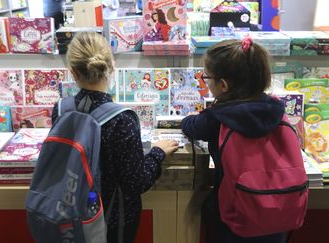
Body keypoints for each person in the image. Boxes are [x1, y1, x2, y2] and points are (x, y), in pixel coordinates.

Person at [51, 32, 179, 243]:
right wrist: (157, 153)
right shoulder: (123, 119)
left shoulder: (60, 109)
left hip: (69, 211)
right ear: (111, 67)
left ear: (72, 72)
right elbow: (136, 182)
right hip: (112, 220)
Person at [181, 38, 287, 243]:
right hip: (276, 212)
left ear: (223, 85)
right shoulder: (275, 109)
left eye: (207, 77)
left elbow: (191, 126)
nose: (205, 80)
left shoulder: (219, 117)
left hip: (236, 217)